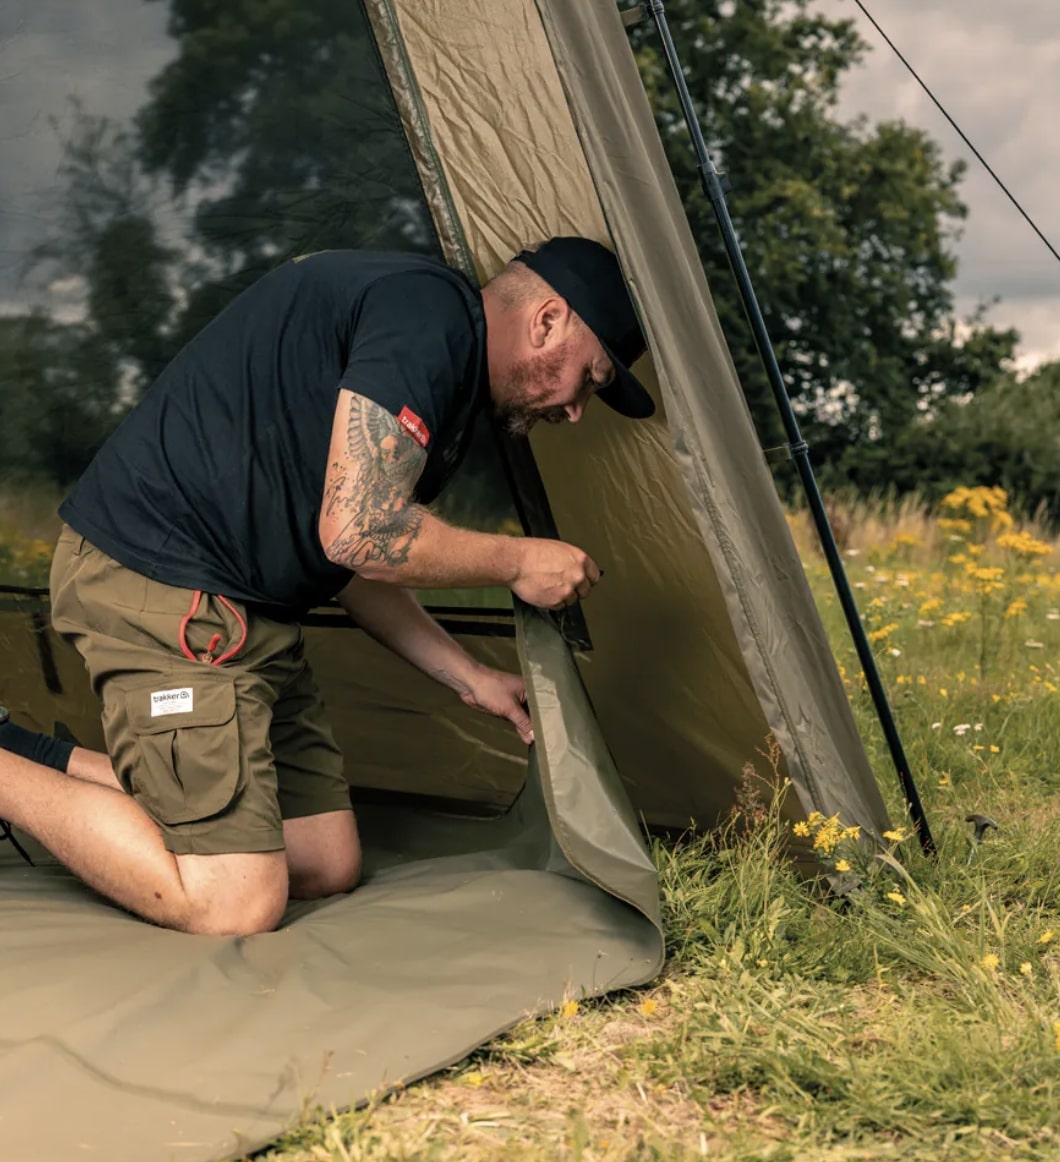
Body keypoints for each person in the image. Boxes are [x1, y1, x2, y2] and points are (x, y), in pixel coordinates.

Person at [0, 236, 654, 935]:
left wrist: (470, 676)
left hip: (252, 612)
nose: (578, 409)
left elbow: (343, 559)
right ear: (548, 320)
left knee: (323, 862)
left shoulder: (442, 362)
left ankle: (41, 757)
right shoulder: (428, 318)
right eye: (590, 378)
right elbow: (362, 534)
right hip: (162, 582)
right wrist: (522, 561)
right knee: (235, 901)